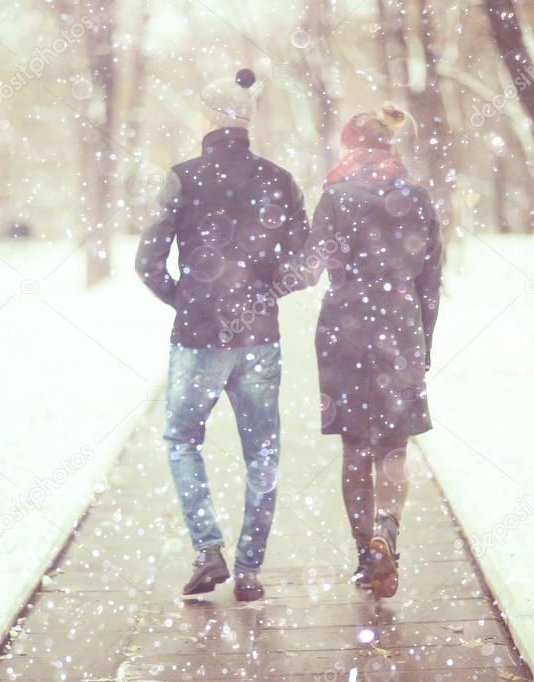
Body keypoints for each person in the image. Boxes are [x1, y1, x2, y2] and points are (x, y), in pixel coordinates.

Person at [135, 68, 310, 601]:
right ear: (249, 122)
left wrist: (186, 300)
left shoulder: (182, 178)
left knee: (182, 440)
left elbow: (147, 262)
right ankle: (251, 569)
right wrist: (265, 294)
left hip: (198, 340)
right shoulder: (278, 180)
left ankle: (209, 550)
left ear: (207, 121)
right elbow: (309, 263)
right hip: (259, 339)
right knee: (262, 453)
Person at [305, 102, 442, 598]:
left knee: (354, 446)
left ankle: (366, 553)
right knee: (393, 445)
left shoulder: (335, 197)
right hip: (400, 329)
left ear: (349, 147)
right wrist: (423, 340)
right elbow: (431, 281)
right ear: (390, 146)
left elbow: (306, 269)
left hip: (344, 330)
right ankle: (388, 528)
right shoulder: (418, 198)